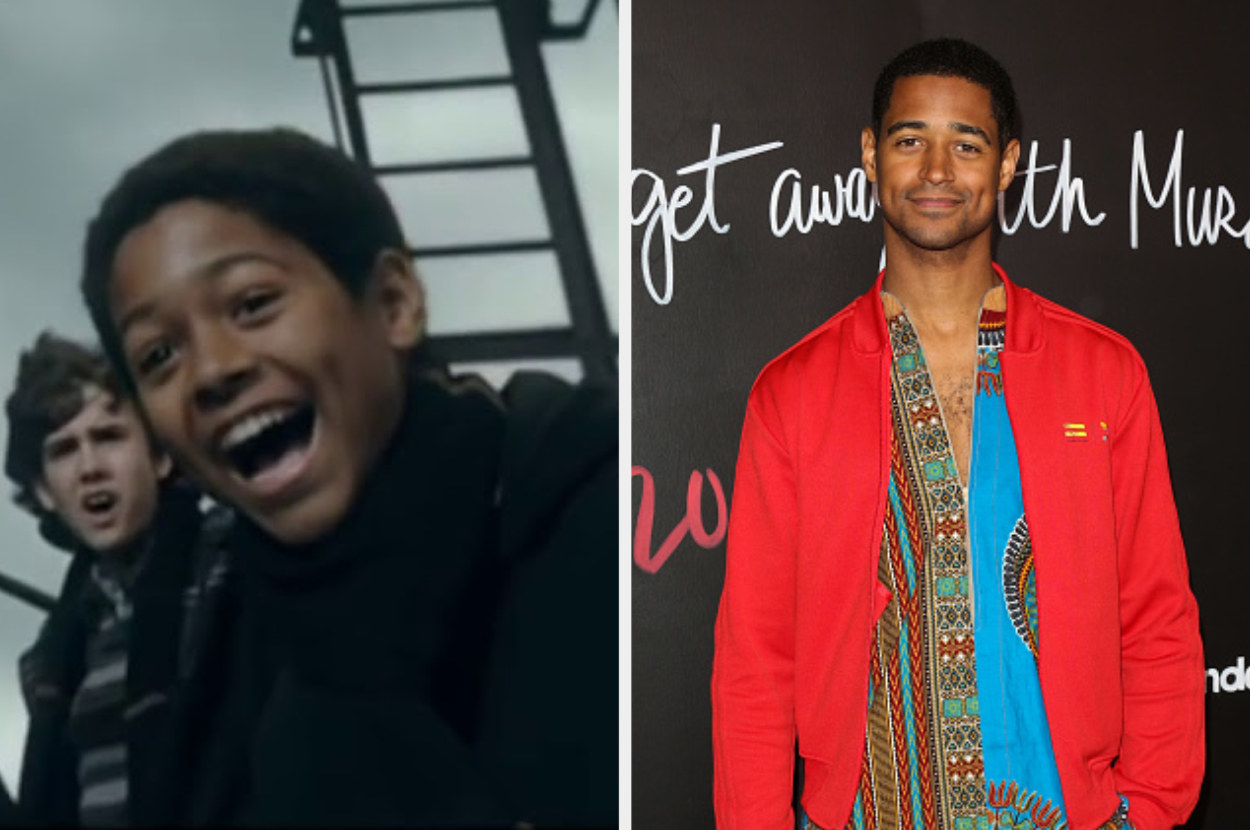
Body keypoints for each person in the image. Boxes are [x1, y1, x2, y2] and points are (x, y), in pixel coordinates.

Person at [711, 38, 1204, 830]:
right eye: (911, 140)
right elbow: (756, 660)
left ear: (1007, 164)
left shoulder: (1104, 373)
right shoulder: (792, 393)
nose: (936, 170)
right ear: (871, 156)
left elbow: (1155, 615)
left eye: (965, 144)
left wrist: (1147, 812)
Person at [78, 127, 617, 826]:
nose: (212, 370)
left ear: (393, 302)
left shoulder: (624, 524)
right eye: (157, 356)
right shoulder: (216, 662)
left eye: (251, 304)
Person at [3, 332, 230, 827]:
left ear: (160, 457)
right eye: (63, 450)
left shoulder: (230, 568)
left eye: (109, 436)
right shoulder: (55, 655)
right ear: (43, 490)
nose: (89, 468)